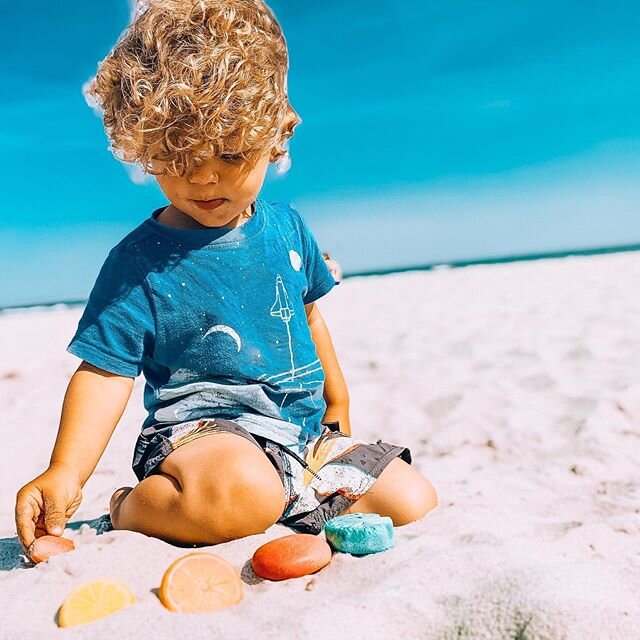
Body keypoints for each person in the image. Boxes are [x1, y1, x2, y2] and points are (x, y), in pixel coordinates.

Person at [15, 0, 438, 550]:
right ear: (143, 146)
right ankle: (128, 506)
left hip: (301, 438)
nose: (206, 176)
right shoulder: (138, 263)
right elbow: (105, 373)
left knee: (410, 498)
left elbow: (308, 316)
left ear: (274, 136)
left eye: (233, 153)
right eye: (179, 156)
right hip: (201, 436)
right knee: (240, 491)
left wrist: (338, 402)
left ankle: (286, 497)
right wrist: (66, 472)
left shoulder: (288, 230)